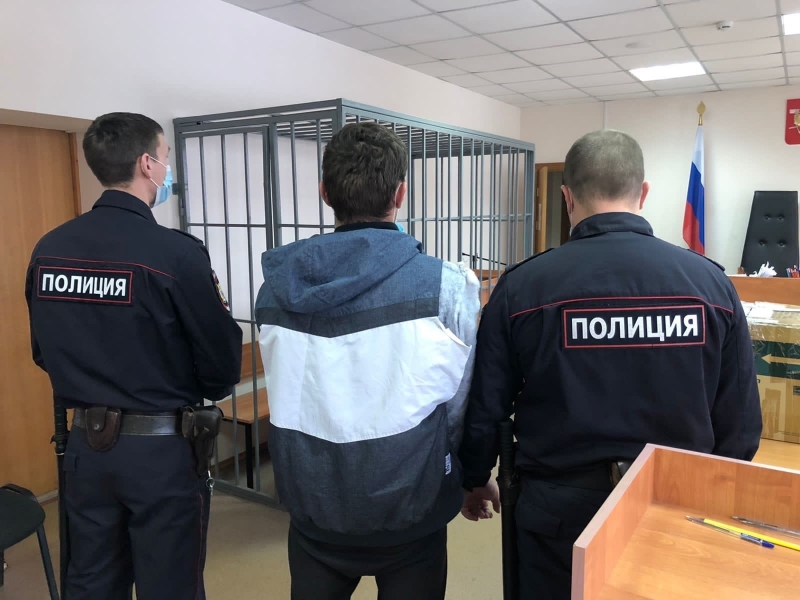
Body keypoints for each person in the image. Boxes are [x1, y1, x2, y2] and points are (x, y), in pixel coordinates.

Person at [458, 130, 762, 599]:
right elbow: (740, 424)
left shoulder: (522, 288)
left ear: (567, 197)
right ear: (643, 192)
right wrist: (709, 495)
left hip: (558, 513)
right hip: (673, 502)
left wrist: (475, 479)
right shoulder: (711, 286)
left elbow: (487, 406)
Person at [254, 122, 481, 600]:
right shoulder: (447, 285)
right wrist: (464, 474)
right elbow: (458, 404)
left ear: (324, 192)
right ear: (400, 194)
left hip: (314, 506)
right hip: (412, 504)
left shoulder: (272, 290)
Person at [25, 112, 243, 600]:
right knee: (170, 583)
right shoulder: (175, 253)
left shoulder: (50, 249)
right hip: (162, 453)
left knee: (92, 582)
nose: (166, 168)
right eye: (165, 157)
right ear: (147, 164)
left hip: (85, 450)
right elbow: (222, 366)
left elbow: (43, 352)